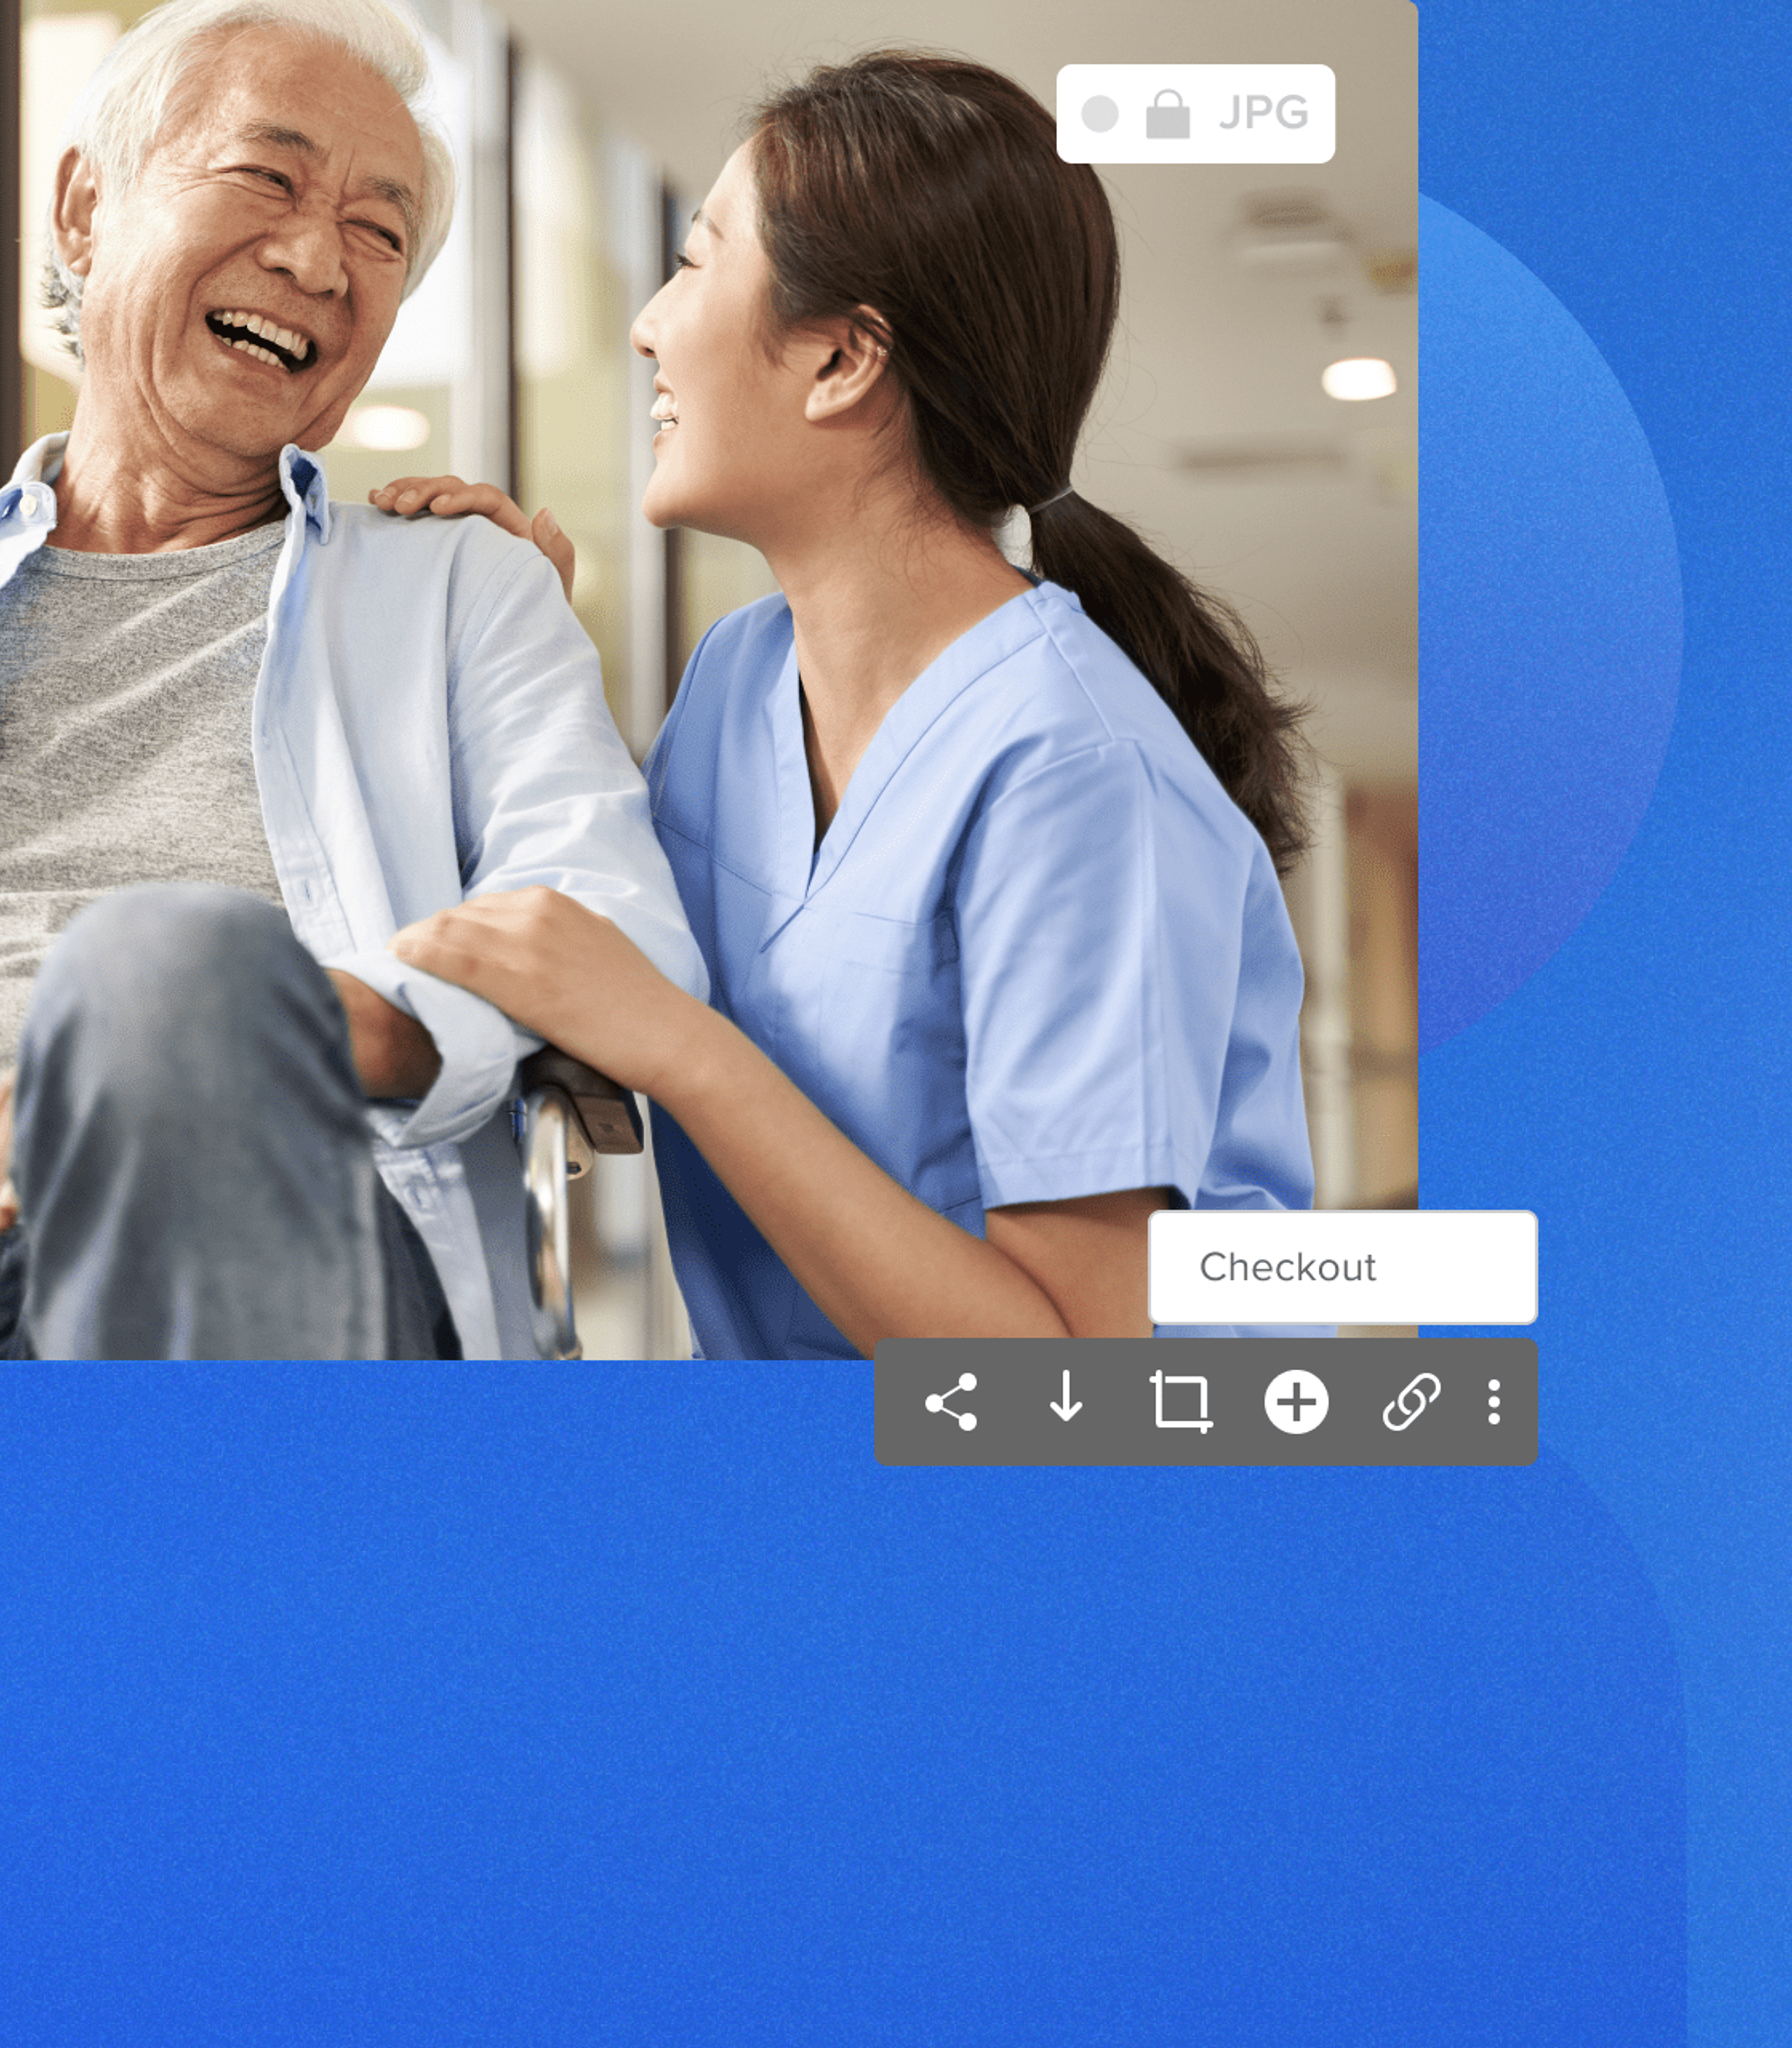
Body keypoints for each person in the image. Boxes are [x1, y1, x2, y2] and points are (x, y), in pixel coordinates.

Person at [0, 0, 704, 1363]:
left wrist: (334, 1022)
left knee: (168, 964)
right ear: (86, 208)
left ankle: (160, 1556)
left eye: (379, 233)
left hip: (231, 1252)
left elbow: (610, 921)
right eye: (267, 177)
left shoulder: (460, 584)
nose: (317, 257)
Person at [380, 52, 1320, 1356]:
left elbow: (1077, 1383)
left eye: (697, 261)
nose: (650, 322)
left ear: (840, 360)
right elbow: (581, 942)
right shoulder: (736, 682)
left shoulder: (1075, 770)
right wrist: (508, 656)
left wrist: (686, 1053)